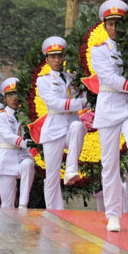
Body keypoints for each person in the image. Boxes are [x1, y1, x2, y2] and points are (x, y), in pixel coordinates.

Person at [91, 0, 128, 232]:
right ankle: (113, 213)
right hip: (109, 106)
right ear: (104, 25)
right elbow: (109, 79)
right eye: (111, 23)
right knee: (110, 163)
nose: (115, 27)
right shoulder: (99, 51)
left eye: (118, 23)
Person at [35, 36, 87, 210]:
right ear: (47, 59)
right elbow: (54, 103)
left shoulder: (73, 77)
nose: (57, 60)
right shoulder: (43, 80)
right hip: (54, 129)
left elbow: (85, 96)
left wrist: (85, 99)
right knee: (52, 175)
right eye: (53, 56)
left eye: (59, 56)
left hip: (71, 124)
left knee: (78, 126)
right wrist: (81, 103)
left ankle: (72, 169)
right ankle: (54, 210)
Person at [0, 77, 35, 209]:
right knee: (7, 204)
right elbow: (8, 136)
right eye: (10, 95)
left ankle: (23, 204)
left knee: (28, 164)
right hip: (7, 158)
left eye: (16, 94)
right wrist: (29, 144)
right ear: (5, 98)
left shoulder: (26, 115)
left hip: (22, 156)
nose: (14, 98)